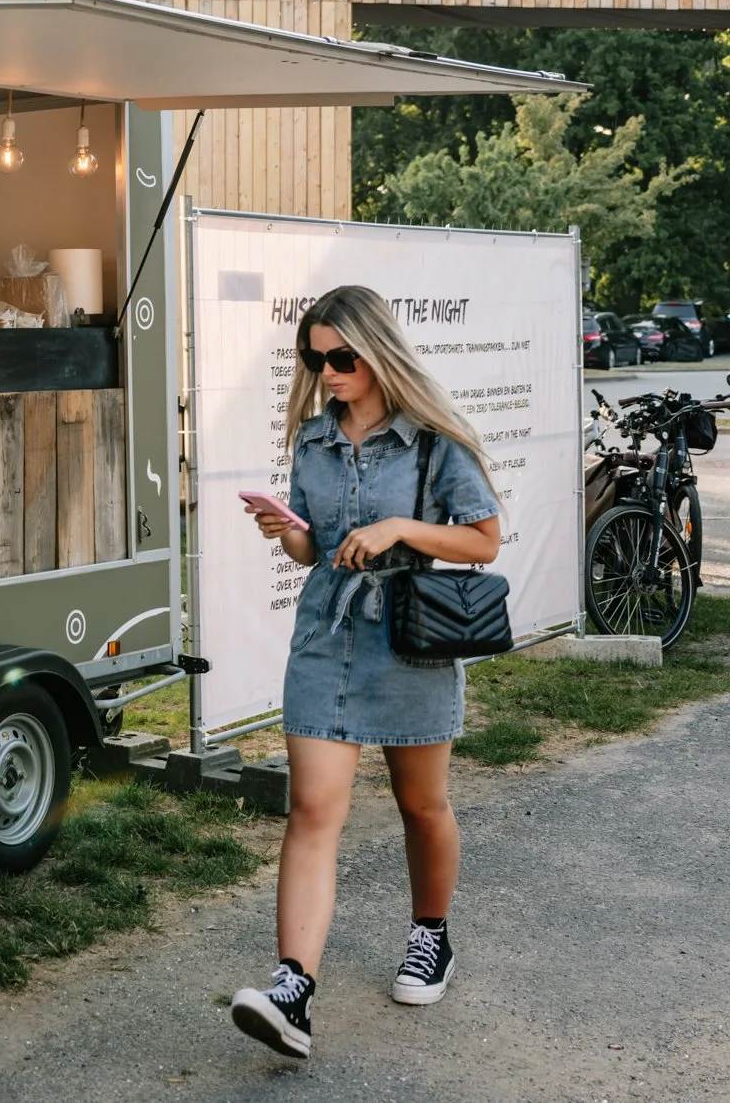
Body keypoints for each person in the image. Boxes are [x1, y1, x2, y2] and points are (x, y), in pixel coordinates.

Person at [227, 285, 502, 1062]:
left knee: (422, 804)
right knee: (312, 809)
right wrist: (286, 530)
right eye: (315, 358)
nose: (328, 371)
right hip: (327, 632)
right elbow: (313, 549)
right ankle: (293, 991)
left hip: (411, 634)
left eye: (342, 357)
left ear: (377, 351)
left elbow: (484, 539)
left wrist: (399, 528)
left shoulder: (432, 440)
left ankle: (431, 935)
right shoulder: (313, 439)